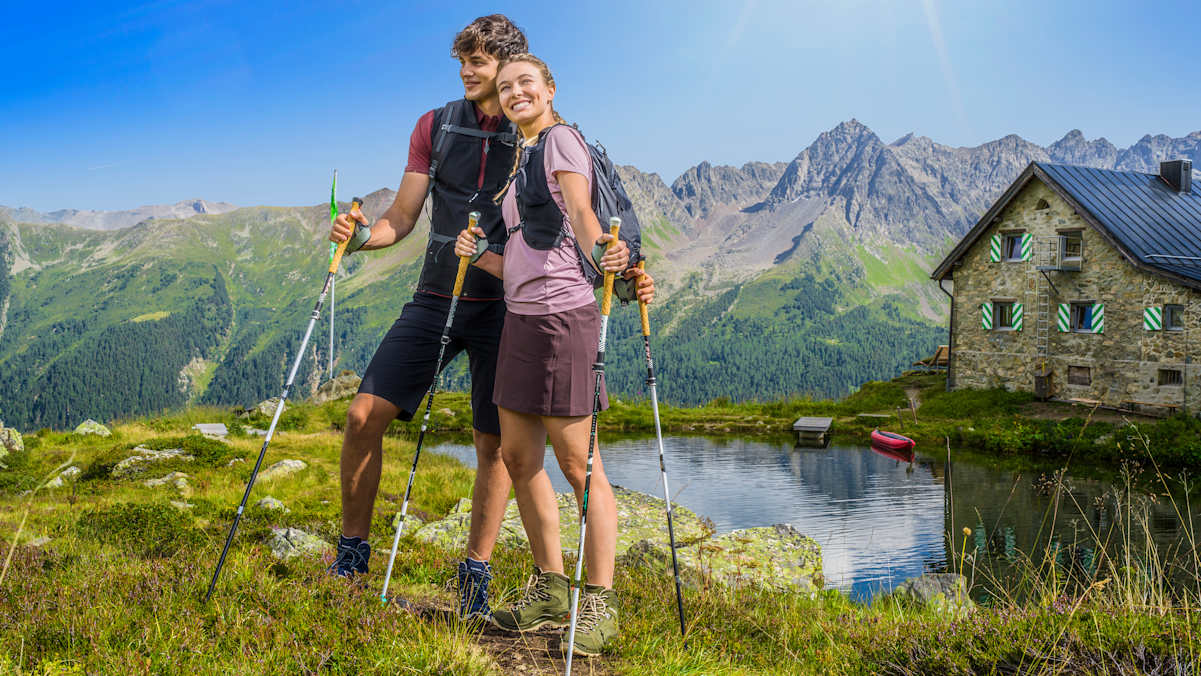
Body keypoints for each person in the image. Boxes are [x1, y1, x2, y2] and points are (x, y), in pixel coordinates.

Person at [325, 16, 631, 621]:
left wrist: (621, 261)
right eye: (462, 60)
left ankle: (476, 577)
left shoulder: (540, 135)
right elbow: (403, 216)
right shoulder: (434, 127)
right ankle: (352, 558)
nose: (468, 70)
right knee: (364, 414)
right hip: (438, 295)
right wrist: (361, 238)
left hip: (511, 312)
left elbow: (585, 214)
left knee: (497, 450)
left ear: (520, 69)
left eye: (480, 61)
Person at [454, 53, 653, 657]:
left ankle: (600, 600)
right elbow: (528, 251)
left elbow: (585, 215)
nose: (515, 93)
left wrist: (609, 254)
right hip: (519, 320)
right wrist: (480, 253)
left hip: (565, 319)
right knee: (518, 457)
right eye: (506, 86)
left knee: (578, 464)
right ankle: (548, 587)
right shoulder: (520, 164)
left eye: (526, 84)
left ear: (549, 90)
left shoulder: (562, 141)